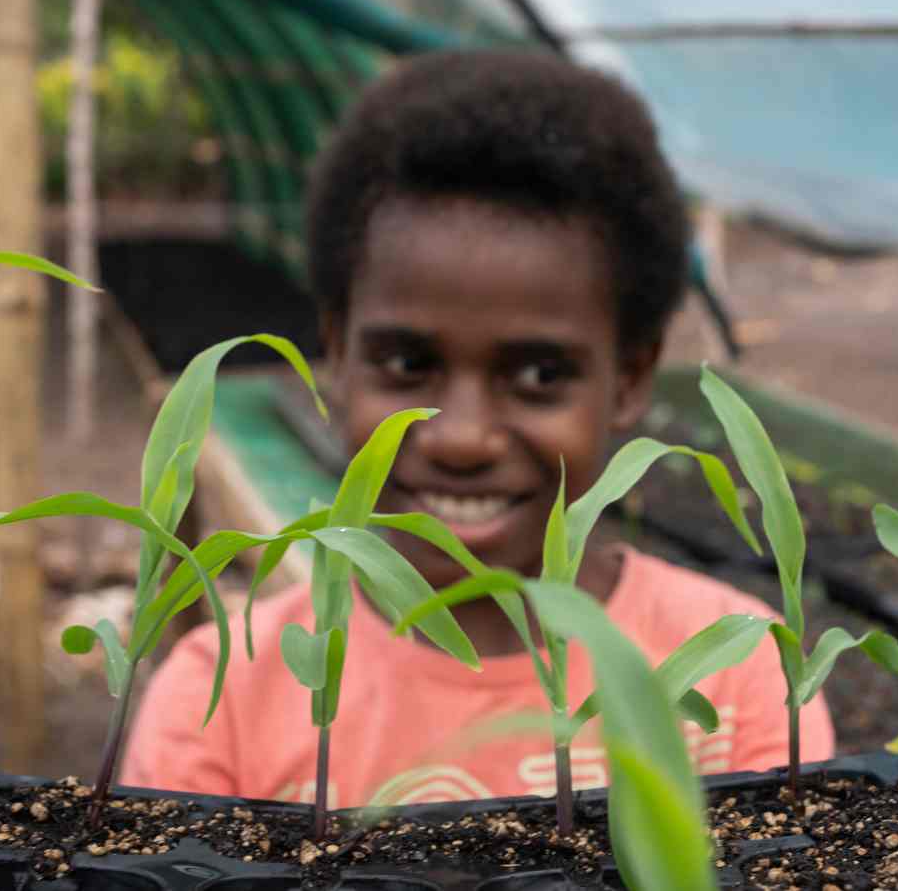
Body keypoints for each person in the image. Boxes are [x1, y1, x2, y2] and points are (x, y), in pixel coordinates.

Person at [120, 50, 833, 807]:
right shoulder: (221, 697)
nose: (461, 438)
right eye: (407, 364)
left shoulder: (737, 668)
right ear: (336, 354)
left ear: (628, 377)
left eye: (538, 377)